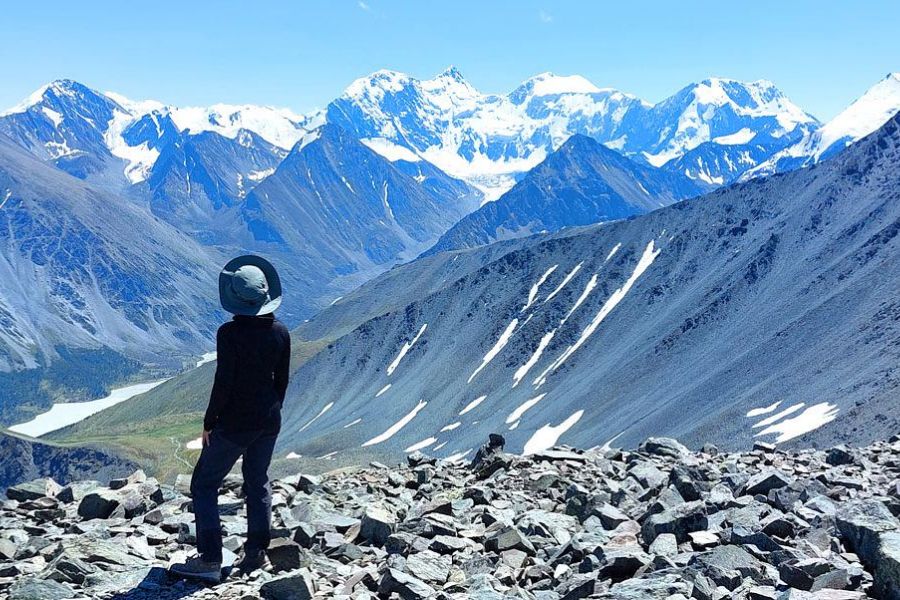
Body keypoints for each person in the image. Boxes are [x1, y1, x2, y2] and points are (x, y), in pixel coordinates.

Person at [170, 255, 291, 584]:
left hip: (235, 424)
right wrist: (269, 411)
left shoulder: (229, 334)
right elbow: (281, 381)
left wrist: (210, 422)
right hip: (269, 420)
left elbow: (224, 382)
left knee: (204, 484)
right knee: (257, 479)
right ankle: (255, 553)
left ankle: (210, 559)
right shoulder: (281, 333)